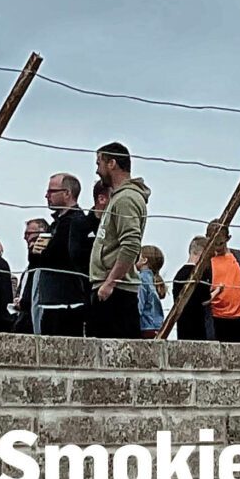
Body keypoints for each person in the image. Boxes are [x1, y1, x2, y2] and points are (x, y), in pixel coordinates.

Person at [87, 143, 149, 339]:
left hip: (116, 293)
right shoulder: (119, 197)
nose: (97, 171)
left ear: (112, 163)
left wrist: (110, 283)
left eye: (99, 163)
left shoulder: (126, 199)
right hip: (111, 289)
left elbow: (131, 244)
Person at [28, 176, 92, 336]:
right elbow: (37, 260)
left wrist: (42, 253)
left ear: (67, 193)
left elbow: (59, 256)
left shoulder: (76, 222)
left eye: (51, 191)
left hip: (69, 303)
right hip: (51, 301)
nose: (46, 195)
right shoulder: (56, 223)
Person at [206, 224, 240, 343]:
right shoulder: (205, 263)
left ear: (228, 238)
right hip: (216, 319)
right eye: (214, 243)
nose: (217, 247)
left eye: (221, 243)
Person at [172, 236, 211, 341]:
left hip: (182, 325)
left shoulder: (179, 274)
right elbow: (205, 300)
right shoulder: (199, 275)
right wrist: (218, 291)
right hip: (198, 326)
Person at [136, 245, 166, 338]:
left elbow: (139, 305)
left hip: (145, 326)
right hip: (157, 327)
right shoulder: (154, 279)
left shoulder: (141, 279)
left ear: (144, 260)